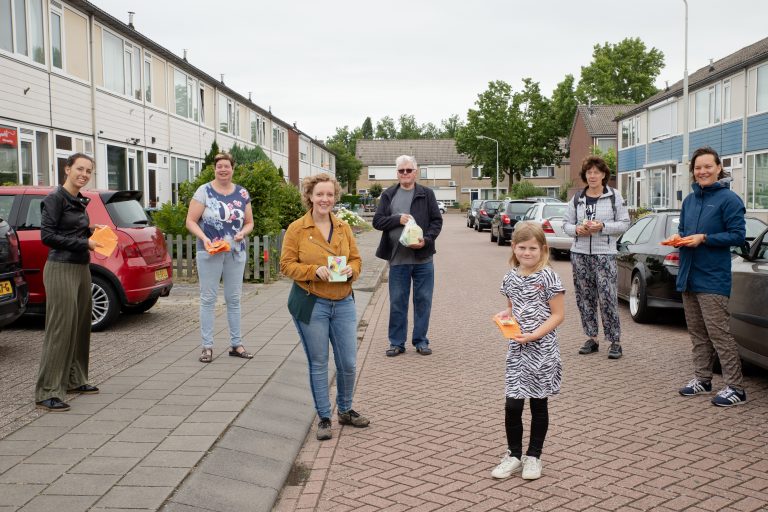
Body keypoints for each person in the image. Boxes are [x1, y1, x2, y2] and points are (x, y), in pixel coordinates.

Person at [280, 174, 369, 441]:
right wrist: (312, 271)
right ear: (309, 196)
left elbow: (356, 260)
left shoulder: (343, 228)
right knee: (319, 362)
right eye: (320, 194)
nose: (325, 199)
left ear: (335, 197)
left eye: (329, 195)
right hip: (312, 302)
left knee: (348, 363)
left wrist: (351, 271)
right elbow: (285, 265)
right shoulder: (297, 229)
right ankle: (324, 417)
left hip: (342, 301)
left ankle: (345, 409)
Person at [668, 147, 747, 407]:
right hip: (688, 275)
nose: (702, 171)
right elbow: (683, 231)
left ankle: (736, 387)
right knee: (697, 334)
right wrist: (677, 241)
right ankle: (703, 379)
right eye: (698, 167)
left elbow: (737, 236)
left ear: (718, 168)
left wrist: (705, 238)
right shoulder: (689, 201)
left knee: (719, 335)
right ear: (693, 171)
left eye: (707, 167)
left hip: (713, 278)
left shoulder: (729, 199)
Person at [491, 222, 565, 481]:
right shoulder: (510, 277)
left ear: (542, 249)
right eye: (522, 247)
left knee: (538, 404)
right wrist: (505, 315)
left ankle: (534, 456)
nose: (527, 253)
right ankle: (513, 455)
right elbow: (512, 307)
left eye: (533, 248)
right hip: (517, 351)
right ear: (513, 248)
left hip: (542, 350)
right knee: (512, 405)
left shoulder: (549, 276)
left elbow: (558, 315)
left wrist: (535, 334)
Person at [35, 153, 102, 412]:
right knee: (60, 329)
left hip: (81, 267)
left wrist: (89, 231)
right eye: (79, 169)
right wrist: (85, 242)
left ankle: (75, 379)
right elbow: (48, 236)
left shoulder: (78, 200)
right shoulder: (54, 199)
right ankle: (47, 391)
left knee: (80, 326)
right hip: (61, 267)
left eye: (88, 171)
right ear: (67, 169)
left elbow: (70, 230)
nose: (83, 174)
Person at [186, 152, 254, 363]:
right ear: (214, 169)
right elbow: (190, 221)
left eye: (227, 166)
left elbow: (250, 222)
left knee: (234, 299)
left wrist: (244, 232)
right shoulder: (204, 191)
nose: (223, 169)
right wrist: (204, 238)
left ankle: (236, 344)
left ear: (233, 169)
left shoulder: (242, 193)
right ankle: (207, 347)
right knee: (208, 299)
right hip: (210, 251)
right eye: (219, 166)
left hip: (235, 252)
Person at [373, 155, 443, 357]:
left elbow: (436, 222)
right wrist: (397, 219)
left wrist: (426, 240)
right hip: (398, 259)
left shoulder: (426, 194)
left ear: (416, 171)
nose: (405, 174)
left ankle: (421, 341)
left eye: (409, 170)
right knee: (397, 301)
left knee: (423, 300)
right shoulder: (388, 195)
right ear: (397, 173)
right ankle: (397, 343)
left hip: (423, 259)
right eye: (401, 171)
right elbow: (377, 222)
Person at [563, 155, 630, 359]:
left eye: (596, 172)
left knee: (607, 297)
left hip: (605, 254)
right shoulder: (577, 198)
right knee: (585, 298)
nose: (592, 176)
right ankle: (592, 338)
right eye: (589, 172)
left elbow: (625, 223)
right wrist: (577, 230)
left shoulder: (613, 196)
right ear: (585, 175)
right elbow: (565, 225)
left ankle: (614, 341)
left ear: (603, 175)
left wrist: (603, 227)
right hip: (580, 254)